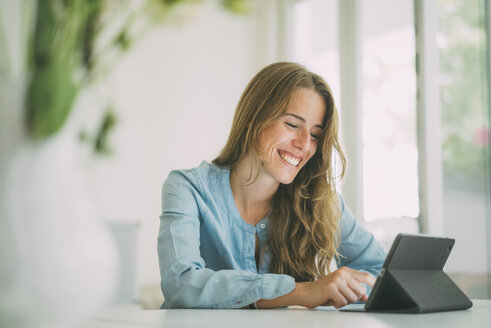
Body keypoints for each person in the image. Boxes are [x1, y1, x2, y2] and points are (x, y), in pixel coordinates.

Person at [157, 62, 386, 309]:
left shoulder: (320, 202)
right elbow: (181, 284)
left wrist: (342, 293)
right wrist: (300, 292)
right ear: (254, 118)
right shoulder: (187, 188)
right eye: (292, 124)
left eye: (315, 135)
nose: (304, 144)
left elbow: (381, 272)